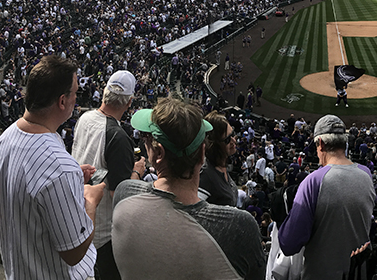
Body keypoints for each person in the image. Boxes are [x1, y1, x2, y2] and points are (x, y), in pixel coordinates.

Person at [112, 98, 265, 280]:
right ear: (202, 154)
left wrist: (136, 173)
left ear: (158, 153)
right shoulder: (240, 227)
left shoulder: (124, 193)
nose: (144, 142)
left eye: (147, 138)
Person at [0, 55, 106, 280]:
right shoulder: (59, 168)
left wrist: (73, 178)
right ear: (63, 101)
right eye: (76, 93)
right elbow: (74, 251)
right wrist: (91, 201)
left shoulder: (5, 139)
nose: (78, 98)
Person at [279, 114, 376, 280]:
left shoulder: (313, 181)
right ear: (344, 142)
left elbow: (288, 244)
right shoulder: (366, 175)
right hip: (358, 275)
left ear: (321, 144)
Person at [70, 70, 146, 280]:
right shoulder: (118, 137)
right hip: (103, 237)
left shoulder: (85, 118)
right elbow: (120, 196)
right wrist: (137, 172)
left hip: (80, 222)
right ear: (129, 102)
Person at [198, 111, 237, 207]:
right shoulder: (205, 175)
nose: (234, 141)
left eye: (233, 134)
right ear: (215, 145)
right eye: (227, 140)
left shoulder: (222, 167)